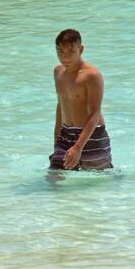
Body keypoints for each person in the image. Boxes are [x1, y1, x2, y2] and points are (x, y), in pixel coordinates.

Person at [50, 29, 112, 170]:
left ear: (81, 49)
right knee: (54, 177)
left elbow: (95, 114)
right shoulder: (58, 72)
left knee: (96, 182)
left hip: (92, 136)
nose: (65, 57)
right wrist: (56, 141)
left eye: (71, 52)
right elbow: (61, 106)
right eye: (60, 52)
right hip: (65, 135)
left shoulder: (92, 76)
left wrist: (78, 147)